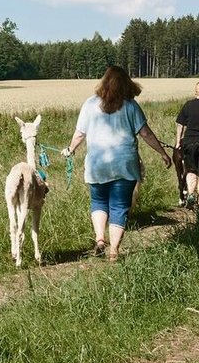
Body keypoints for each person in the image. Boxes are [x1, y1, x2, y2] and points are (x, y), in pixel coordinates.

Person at [62, 65, 172, 261]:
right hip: (125, 165)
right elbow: (145, 133)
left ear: (103, 82)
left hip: (97, 165)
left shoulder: (89, 104)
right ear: (126, 84)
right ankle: (114, 252)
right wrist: (162, 153)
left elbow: (80, 134)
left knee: (98, 202)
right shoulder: (130, 106)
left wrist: (70, 150)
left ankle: (99, 240)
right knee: (119, 207)